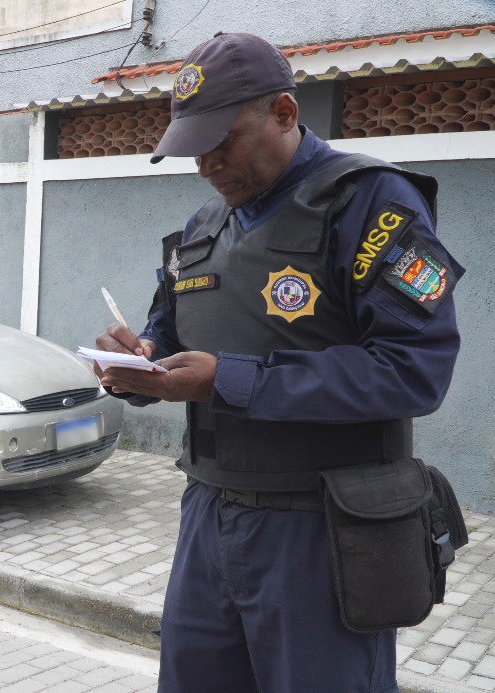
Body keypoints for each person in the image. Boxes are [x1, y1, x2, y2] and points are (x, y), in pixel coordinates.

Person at [95, 32, 463, 692]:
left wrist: (229, 378)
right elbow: (167, 340)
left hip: (321, 532)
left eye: (221, 140)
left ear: (285, 114)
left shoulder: (371, 205)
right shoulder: (200, 230)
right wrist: (140, 363)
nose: (206, 163)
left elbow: (415, 368)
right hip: (207, 518)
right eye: (193, 148)